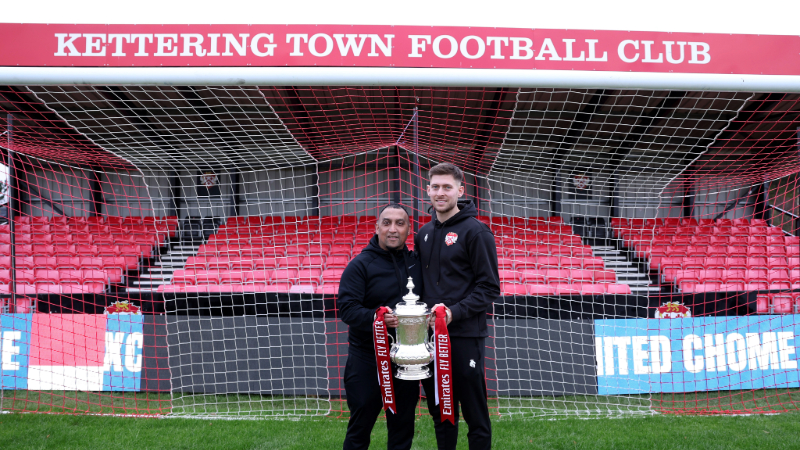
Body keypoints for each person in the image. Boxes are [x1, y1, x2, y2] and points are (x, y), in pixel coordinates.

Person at [415, 162, 500, 450]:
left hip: (465, 336)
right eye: (435, 187)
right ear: (427, 190)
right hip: (430, 338)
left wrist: (454, 312)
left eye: (447, 187)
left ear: (460, 190)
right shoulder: (423, 233)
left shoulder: (476, 231)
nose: (440, 192)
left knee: (475, 414)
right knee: (442, 412)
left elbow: (489, 287)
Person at [338, 203, 423, 450]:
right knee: (360, 426)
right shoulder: (360, 265)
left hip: (406, 359)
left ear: (409, 229)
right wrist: (377, 319)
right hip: (367, 359)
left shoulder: (417, 264)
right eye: (386, 223)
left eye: (400, 223)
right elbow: (347, 309)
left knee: (403, 426)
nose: (393, 229)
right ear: (377, 227)